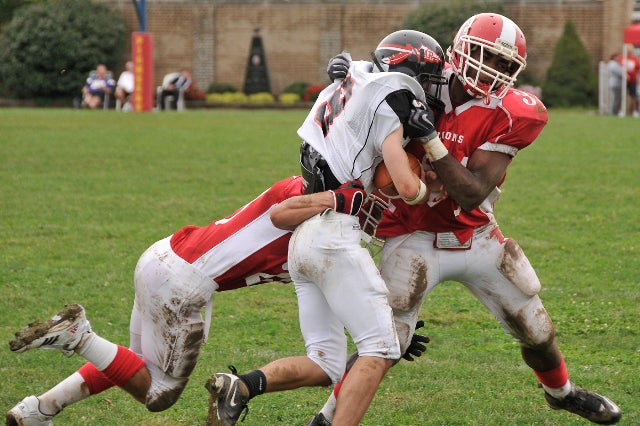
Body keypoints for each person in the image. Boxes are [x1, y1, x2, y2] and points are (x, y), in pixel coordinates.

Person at [308, 13, 622, 426]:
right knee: (385, 342)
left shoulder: (515, 112)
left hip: (476, 236)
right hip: (412, 234)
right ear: (460, 49)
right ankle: (328, 417)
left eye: (506, 65)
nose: (494, 70)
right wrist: (348, 71)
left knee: (538, 331)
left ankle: (561, 393)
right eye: (485, 56)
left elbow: (472, 190)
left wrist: (430, 141)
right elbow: (375, 75)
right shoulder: (422, 77)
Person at [206, 30, 446, 426]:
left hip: (305, 238)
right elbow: (405, 186)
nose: (431, 90)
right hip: (335, 236)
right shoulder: (393, 100)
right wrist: (426, 186)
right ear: (408, 71)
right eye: (429, 79)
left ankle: (241, 387)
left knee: (327, 363)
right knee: (381, 348)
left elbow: (348, 68)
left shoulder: (354, 79)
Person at [4, 176, 370, 425]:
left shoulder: (302, 193)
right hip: (183, 285)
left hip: (163, 253)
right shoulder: (321, 225)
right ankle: (79, 336)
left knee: (133, 367)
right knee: (157, 394)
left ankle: (39, 409)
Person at [619, 47, 640, 117]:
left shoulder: (634, 59)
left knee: (633, 95)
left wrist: (634, 75)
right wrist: (625, 75)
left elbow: (638, 68)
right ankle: (621, 110)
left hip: (632, 80)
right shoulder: (622, 58)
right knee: (622, 95)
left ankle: (634, 111)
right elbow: (619, 67)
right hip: (623, 80)